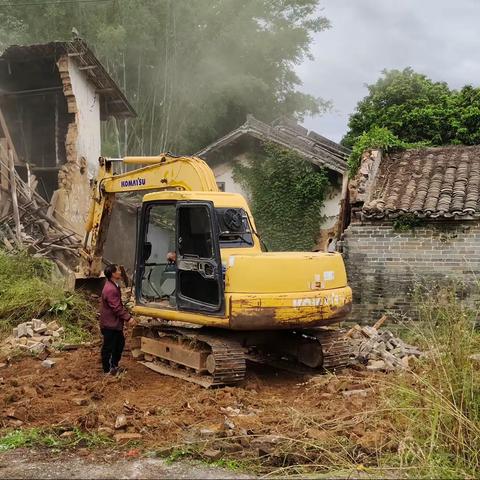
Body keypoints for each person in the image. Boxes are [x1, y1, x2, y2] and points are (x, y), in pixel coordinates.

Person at [99, 264, 133, 375]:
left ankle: (114, 366)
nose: (120, 272)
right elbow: (117, 308)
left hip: (114, 324)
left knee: (119, 344)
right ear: (113, 274)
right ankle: (107, 370)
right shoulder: (111, 289)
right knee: (109, 347)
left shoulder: (113, 285)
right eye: (118, 270)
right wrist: (129, 318)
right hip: (110, 325)